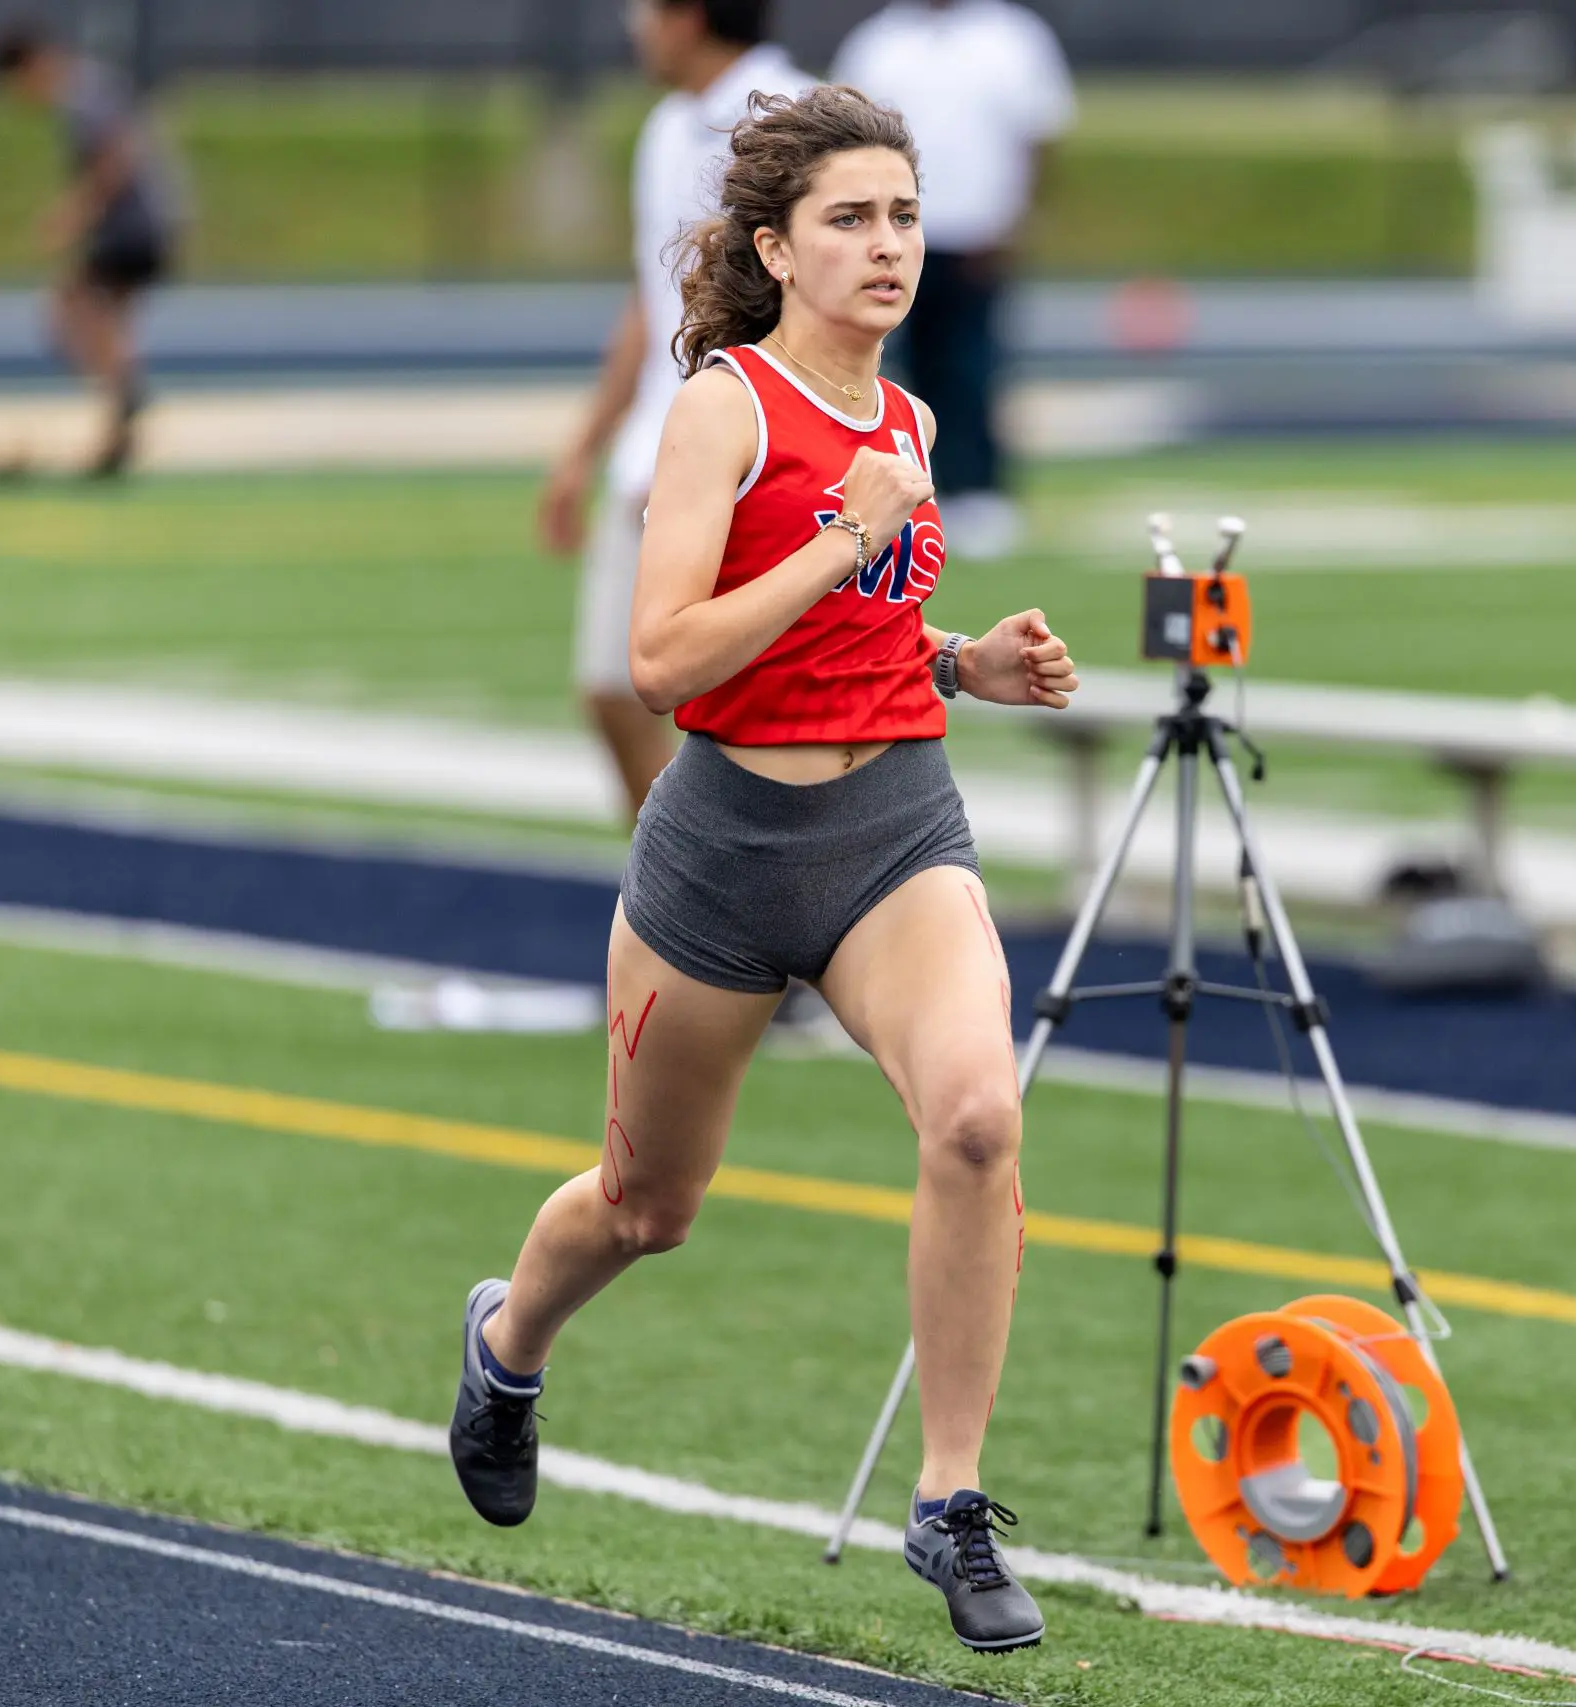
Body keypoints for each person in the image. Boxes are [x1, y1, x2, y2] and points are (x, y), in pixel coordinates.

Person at [449, 85, 1079, 1655]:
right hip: (724, 848)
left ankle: (947, 1500)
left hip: (896, 833)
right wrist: (832, 538)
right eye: (852, 219)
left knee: (981, 1117)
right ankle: (508, 1344)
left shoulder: (915, 418)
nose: (889, 246)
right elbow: (667, 661)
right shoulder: (726, 407)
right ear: (775, 249)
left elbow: (854, 633)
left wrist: (961, 657)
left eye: (907, 216)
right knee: (646, 1206)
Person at [538, 0, 813, 819]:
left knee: (754, 717)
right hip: (657, 447)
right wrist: (585, 448)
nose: (634, 25)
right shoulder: (668, 127)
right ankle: (687, 894)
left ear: (689, 17)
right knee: (612, 690)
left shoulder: (801, 119)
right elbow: (652, 304)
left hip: (750, 451)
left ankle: (741, 903)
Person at [831, 0, 1074, 561]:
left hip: (977, 233)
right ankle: (912, 493)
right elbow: (842, 143)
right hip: (893, 234)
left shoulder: (1011, 37)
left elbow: (1039, 134)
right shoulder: (879, 41)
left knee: (973, 364)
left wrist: (1017, 217)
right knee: (897, 367)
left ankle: (980, 492)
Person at [0, 20, 182, 478]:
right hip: (145, 222)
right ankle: (117, 433)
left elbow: (117, 155)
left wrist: (75, 213)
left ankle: (125, 392)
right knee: (105, 320)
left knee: (71, 310)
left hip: (134, 226)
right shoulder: (91, 87)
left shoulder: (83, 93)